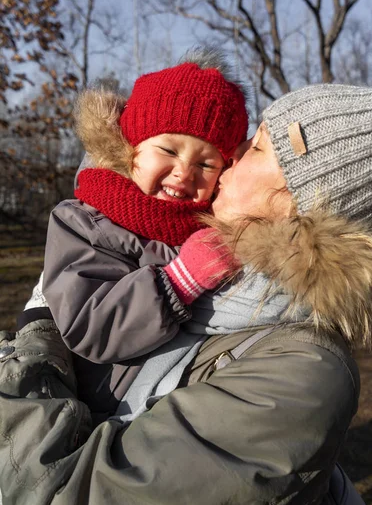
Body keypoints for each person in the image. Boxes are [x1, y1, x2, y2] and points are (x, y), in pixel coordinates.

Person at [1, 83, 372, 505]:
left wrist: (35, 340)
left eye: (259, 145)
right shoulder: (191, 260)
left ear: (299, 201)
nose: (234, 153)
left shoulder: (305, 374)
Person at [25, 47, 247, 418]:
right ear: (132, 149)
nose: (184, 172)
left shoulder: (215, 231)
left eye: (206, 163)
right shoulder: (83, 221)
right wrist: (178, 282)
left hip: (169, 409)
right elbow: (88, 324)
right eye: (169, 149)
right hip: (87, 409)